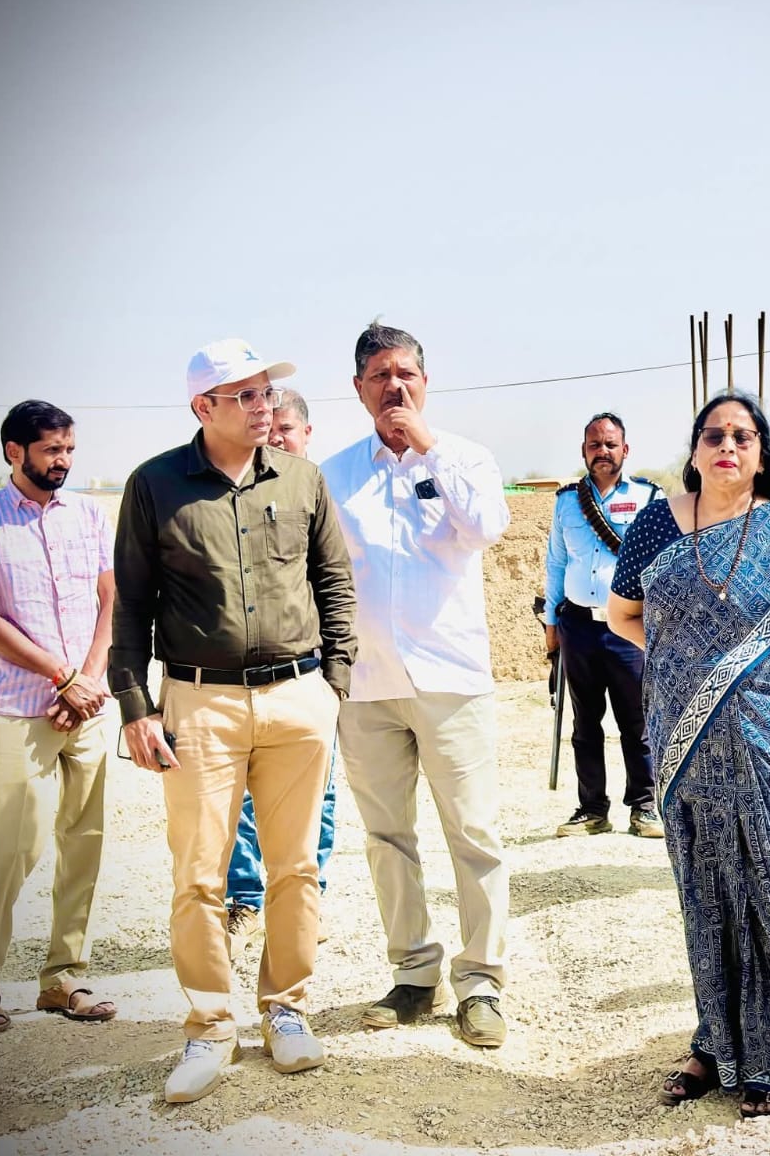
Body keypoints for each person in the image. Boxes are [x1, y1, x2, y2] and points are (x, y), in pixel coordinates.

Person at [607, 389, 770, 1120]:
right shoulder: (656, 524)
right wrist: (689, 672)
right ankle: (717, 1046)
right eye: (714, 435)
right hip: (686, 739)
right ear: (694, 451)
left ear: (761, 456)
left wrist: (763, 680)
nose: (728, 446)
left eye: (743, 436)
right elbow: (621, 615)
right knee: (709, 893)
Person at [110, 339, 357, 1102]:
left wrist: (333, 686)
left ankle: (286, 1010)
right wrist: (135, 706)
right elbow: (131, 604)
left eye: (267, 393)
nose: (263, 407)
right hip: (199, 702)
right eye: (245, 395)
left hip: (297, 699)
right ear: (203, 407)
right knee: (198, 875)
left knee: (296, 867)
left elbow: (334, 584)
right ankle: (211, 1027)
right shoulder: (154, 485)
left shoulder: (303, 480)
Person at [322, 322, 512, 1049]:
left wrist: (429, 449)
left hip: (450, 679)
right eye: (379, 375)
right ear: (359, 388)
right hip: (367, 684)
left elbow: (486, 526)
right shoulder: (335, 475)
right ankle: (412, 973)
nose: (394, 386)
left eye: (405, 374)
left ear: (425, 382)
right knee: (386, 837)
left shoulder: (467, 457)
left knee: (474, 835)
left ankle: (481, 982)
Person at [0, 400, 119, 1037]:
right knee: (13, 842)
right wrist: (61, 678)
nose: (63, 461)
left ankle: (63, 977)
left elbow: (111, 599)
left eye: (69, 449)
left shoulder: (90, 514)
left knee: (84, 842)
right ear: (14, 451)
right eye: (51, 450)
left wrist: (88, 680)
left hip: (89, 706)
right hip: (22, 708)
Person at [224, 388, 342, 956]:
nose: (275, 439)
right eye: (269, 430)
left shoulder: (321, 491)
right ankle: (247, 903)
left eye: (286, 430)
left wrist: (335, 680)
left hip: (310, 678)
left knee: (318, 796)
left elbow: (338, 584)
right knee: (245, 801)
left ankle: (304, 904)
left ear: (307, 433)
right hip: (246, 681)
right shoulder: (240, 495)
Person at [541, 411, 666, 838]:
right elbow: (556, 563)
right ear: (584, 450)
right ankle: (592, 809)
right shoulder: (566, 502)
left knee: (636, 721)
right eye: (595, 445)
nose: (602, 451)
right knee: (585, 723)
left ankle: (644, 807)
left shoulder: (649, 498)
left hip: (628, 627)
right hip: (579, 625)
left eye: (610, 444)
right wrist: (551, 622)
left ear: (625, 449)